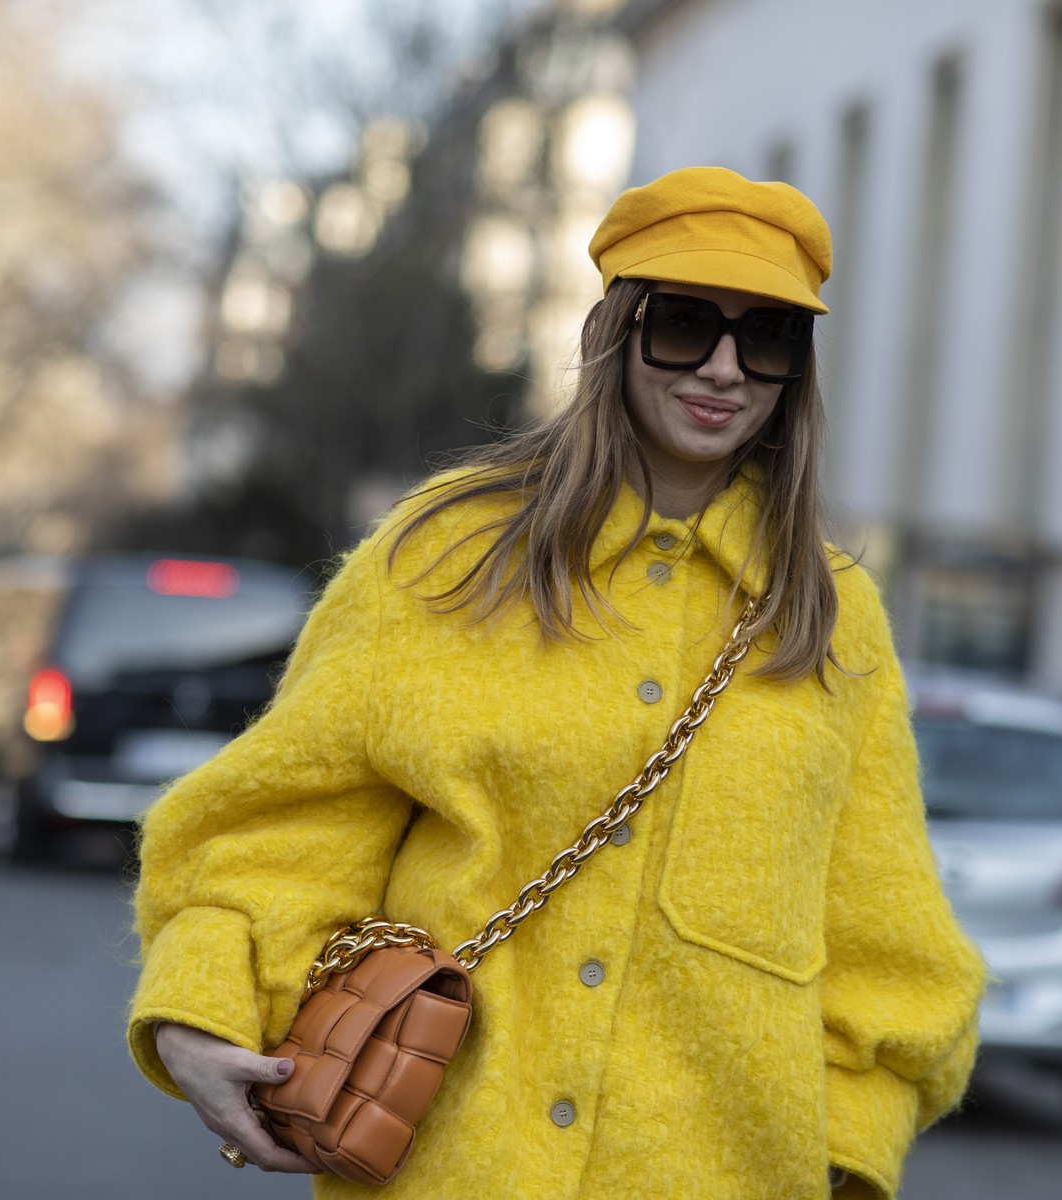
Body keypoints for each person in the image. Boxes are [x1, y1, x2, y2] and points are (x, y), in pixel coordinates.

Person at [128, 166, 985, 1200]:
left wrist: (849, 1153)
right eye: (684, 325)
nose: (723, 368)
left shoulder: (833, 616)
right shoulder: (446, 555)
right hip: (453, 1171)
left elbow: (886, 939)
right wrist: (200, 1012)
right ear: (618, 332)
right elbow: (280, 828)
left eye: (766, 338)